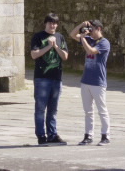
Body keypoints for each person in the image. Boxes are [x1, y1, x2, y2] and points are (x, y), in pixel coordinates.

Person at [70, 19, 111, 146]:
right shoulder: (88, 39)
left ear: (99, 29)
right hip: (86, 80)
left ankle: (105, 135)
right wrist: (82, 25)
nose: (90, 31)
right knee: (88, 111)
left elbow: (91, 51)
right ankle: (88, 135)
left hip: (98, 81)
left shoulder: (104, 43)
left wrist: (83, 38)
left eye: (92, 29)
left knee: (102, 110)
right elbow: (72, 35)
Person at [30, 12, 69, 145]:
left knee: (53, 109)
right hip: (42, 78)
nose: (53, 25)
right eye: (50, 22)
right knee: (40, 108)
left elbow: (65, 56)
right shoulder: (38, 37)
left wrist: (56, 46)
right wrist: (48, 47)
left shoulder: (60, 37)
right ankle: (41, 135)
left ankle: (52, 134)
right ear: (45, 23)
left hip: (56, 78)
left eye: (55, 23)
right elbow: (34, 55)